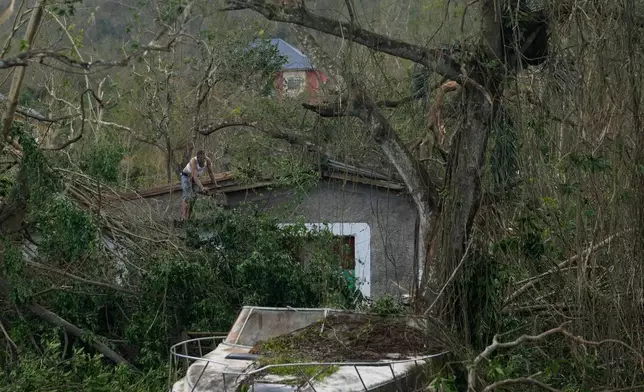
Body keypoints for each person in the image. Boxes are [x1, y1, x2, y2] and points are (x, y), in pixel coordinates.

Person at [180, 150, 217, 220]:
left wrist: (215, 185)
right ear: (197, 158)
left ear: (205, 158)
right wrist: (202, 187)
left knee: (194, 197)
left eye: (202, 160)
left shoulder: (208, 161)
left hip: (194, 178)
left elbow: (211, 173)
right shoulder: (193, 161)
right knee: (187, 195)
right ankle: (184, 217)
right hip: (186, 176)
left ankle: (189, 216)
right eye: (199, 160)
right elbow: (195, 177)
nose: (201, 162)